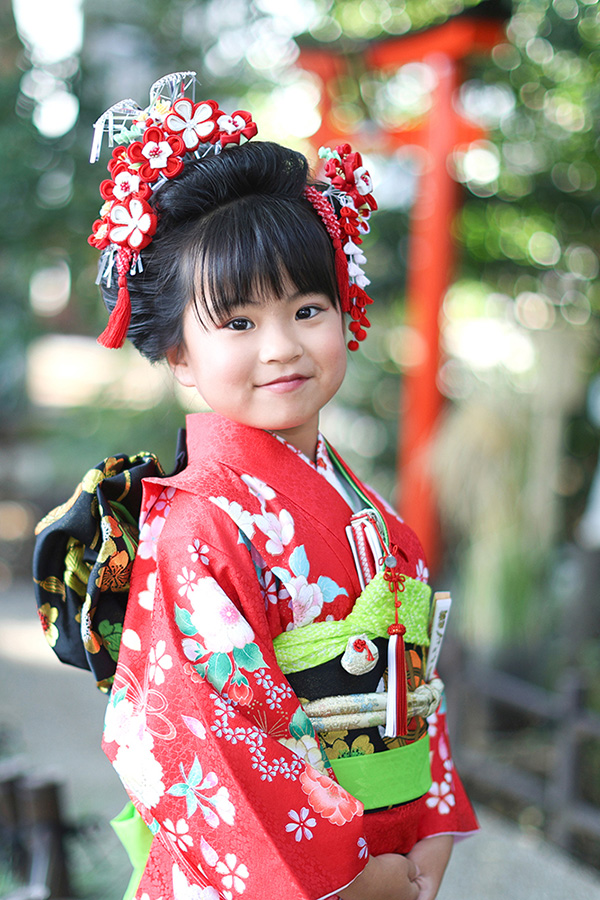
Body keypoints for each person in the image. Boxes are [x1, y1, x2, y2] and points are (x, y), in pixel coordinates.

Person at [42, 73, 478, 900]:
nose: (281, 346)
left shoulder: (374, 516)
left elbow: (418, 692)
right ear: (180, 354)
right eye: (239, 322)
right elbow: (198, 740)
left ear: (344, 310)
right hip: (288, 879)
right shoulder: (197, 527)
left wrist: (430, 830)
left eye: (307, 309)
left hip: (392, 863)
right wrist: (354, 881)